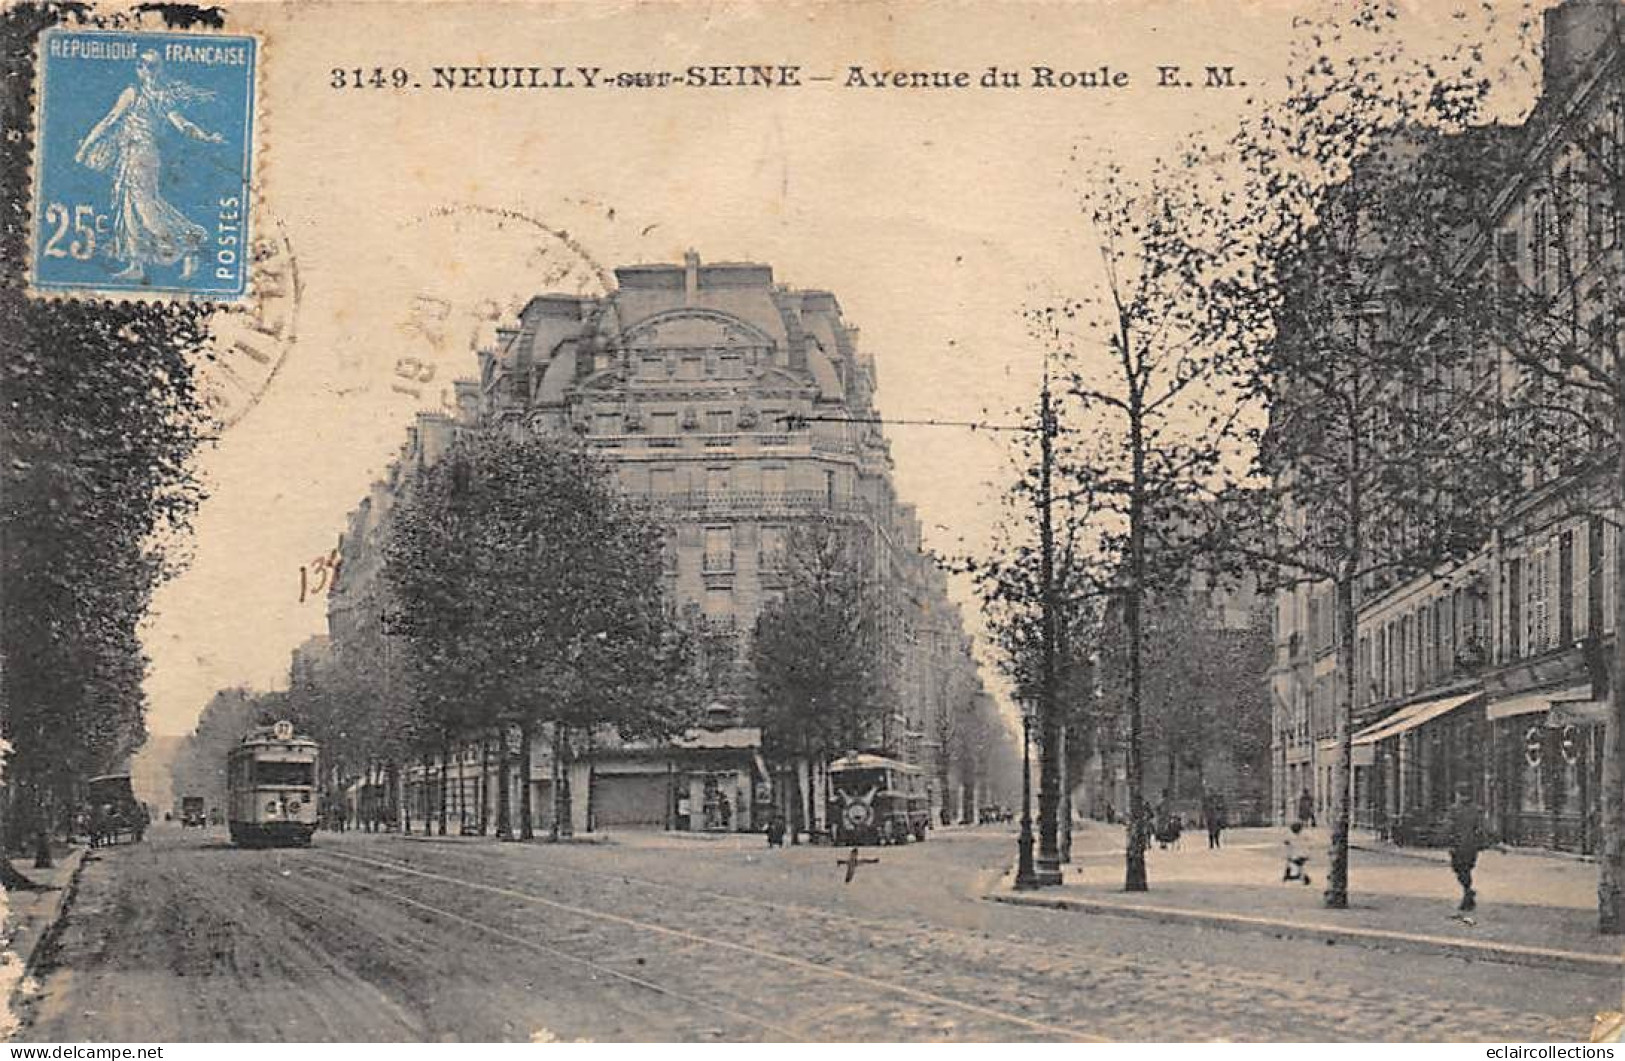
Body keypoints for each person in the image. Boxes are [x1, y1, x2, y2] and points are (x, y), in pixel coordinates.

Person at [73, 51, 226, 282]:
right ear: (137, 68)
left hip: (141, 156)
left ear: (159, 69)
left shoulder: (149, 95)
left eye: (152, 66)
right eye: (143, 65)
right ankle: (137, 265)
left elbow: (181, 125)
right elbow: (112, 119)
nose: (147, 70)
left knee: (145, 208)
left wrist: (206, 138)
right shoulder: (142, 94)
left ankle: (190, 243)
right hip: (130, 155)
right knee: (129, 208)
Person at [1447, 787, 1489, 913]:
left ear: (1459, 794)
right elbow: (1482, 828)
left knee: (1459, 870)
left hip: (1458, 845)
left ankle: (1468, 892)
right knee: (1467, 868)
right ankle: (1468, 895)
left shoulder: (1454, 810)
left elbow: (1449, 827)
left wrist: (1447, 841)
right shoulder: (1477, 810)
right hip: (1471, 845)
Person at [1282, 821, 1311, 885]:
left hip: (1300, 854)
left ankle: (1294, 876)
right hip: (1299, 854)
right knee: (1296, 865)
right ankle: (1295, 876)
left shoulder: (1303, 835)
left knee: (1293, 864)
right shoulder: (1298, 835)